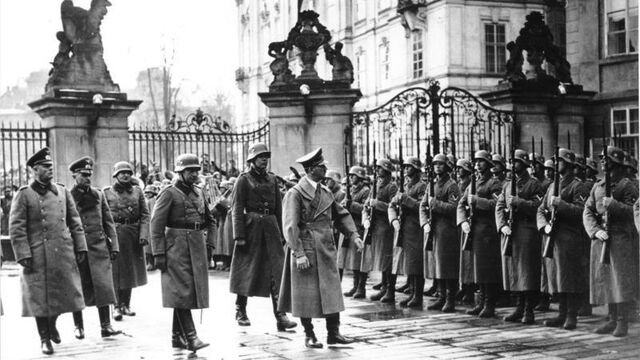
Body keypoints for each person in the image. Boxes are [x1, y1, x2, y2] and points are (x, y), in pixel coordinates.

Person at [278, 147, 363, 348]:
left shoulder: (325, 192)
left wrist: (353, 234)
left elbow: (340, 214)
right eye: (320, 166)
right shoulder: (295, 193)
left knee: (332, 291)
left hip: (325, 248)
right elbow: (290, 226)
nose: (325, 169)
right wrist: (298, 253)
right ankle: (309, 335)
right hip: (305, 248)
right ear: (310, 169)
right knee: (304, 294)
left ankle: (334, 333)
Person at [9, 147, 87, 355]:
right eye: (45, 167)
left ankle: (52, 324)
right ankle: (44, 337)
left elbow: (75, 221)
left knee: (63, 295)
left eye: (51, 166)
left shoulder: (62, 192)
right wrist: (23, 254)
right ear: (35, 170)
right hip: (37, 255)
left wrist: (80, 246)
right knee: (39, 298)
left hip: (62, 252)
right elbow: (16, 228)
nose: (50, 169)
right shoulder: (24, 194)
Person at [150, 153, 214, 351]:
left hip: (195, 245)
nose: (195, 174)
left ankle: (176, 337)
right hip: (175, 247)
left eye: (196, 170)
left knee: (186, 291)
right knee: (181, 290)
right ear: (180, 172)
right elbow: (156, 224)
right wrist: (158, 253)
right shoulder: (169, 193)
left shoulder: (199, 192)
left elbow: (209, 221)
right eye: (190, 171)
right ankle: (192, 337)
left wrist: (210, 245)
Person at [229, 143, 297, 331]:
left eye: (266, 156)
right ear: (252, 160)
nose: (264, 160)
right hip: (251, 230)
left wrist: (282, 231)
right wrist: (239, 235)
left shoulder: (272, 179)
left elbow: (278, 208)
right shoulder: (243, 180)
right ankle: (240, 309)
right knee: (247, 271)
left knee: (276, 272)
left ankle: (281, 315)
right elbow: (236, 208)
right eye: (261, 157)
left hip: (271, 228)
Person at [583, 146, 639, 337]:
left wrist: (613, 205)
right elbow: (588, 210)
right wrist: (595, 231)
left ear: (615, 162)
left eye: (606, 159)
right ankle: (611, 318)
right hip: (601, 238)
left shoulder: (627, 185)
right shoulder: (597, 185)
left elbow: (635, 212)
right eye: (601, 158)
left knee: (620, 280)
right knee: (605, 279)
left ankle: (622, 321)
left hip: (620, 238)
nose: (602, 161)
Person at [67, 157, 122, 339]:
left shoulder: (98, 195)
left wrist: (113, 244)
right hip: (79, 249)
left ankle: (106, 325)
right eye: (83, 175)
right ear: (74, 175)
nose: (87, 178)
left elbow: (108, 221)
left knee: (104, 286)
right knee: (78, 287)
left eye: (89, 175)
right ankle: (78, 326)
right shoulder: (67, 196)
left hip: (99, 247)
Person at [536, 149, 590, 330]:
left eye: (558, 160)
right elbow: (540, 209)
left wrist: (562, 205)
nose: (555, 163)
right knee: (556, 276)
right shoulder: (552, 186)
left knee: (569, 278)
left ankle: (571, 315)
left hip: (570, 237)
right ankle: (561, 313)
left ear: (567, 163)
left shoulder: (577, 186)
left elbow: (582, 212)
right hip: (553, 236)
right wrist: (544, 226)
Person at [496, 149, 545, 325]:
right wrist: (502, 225)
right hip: (512, 230)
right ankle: (518, 306)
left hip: (527, 229)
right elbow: (500, 205)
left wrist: (520, 203)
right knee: (514, 269)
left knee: (527, 271)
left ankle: (528, 309)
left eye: (516, 161)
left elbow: (539, 206)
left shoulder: (534, 184)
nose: (513, 164)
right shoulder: (509, 185)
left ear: (524, 164)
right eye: (512, 161)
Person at [458, 151, 503, 318]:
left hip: (488, 230)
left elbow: (497, 204)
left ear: (489, 164)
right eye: (476, 161)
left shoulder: (494, 183)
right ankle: (481, 301)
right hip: (475, 229)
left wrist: (478, 201)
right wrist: (463, 221)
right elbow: (462, 204)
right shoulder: (473, 183)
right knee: (478, 268)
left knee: (488, 269)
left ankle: (489, 304)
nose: (477, 164)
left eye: (481, 161)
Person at [103, 161, 149, 320]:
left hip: (132, 235)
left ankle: (126, 305)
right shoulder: (106, 193)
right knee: (115, 271)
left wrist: (143, 234)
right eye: (122, 173)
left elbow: (145, 215)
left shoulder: (137, 192)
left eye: (128, 173)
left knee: (130, 270)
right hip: (115, 234)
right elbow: (103, 217)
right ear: (115, 175)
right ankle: (115, 306)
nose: (125, 175)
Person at [420, 154, 460, 312]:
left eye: (440, 164)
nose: (437, 167)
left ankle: (450, 299)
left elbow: (454, 208)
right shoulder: (432, 184)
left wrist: (434, 204)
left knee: (447, 265)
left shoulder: (452, 185)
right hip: (434, 228)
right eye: (435, 164)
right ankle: (441, 296)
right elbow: (423, 205)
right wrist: (424, 223)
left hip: (447, 229)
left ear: (447, 167)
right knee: (437, 264)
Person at [388, 156, 426, 308]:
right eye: (405, 167)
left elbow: (422, 207)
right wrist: (394, 218)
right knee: (410, 263)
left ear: (416, 169)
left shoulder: (421, 186)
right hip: (405, 228)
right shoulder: (405, 185)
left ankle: (418, 295)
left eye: (409, 167)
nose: (406, 169)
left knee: (416, 263)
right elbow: (393, 203)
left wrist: (406, 199)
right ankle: (412, 293)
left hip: (416, 228)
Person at [367, 159, 398, 302]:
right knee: (381, 260)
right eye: (377, 168)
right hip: (377, 226)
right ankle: (384, 288)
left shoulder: (391, 187)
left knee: (387, 260)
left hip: (387, 227)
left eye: (379, 168)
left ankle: (390, 290)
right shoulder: (376, 185)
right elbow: (368, 203)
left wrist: (377, 204)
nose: (377, 170)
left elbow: (394, 207)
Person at [339, 166, 370, 299]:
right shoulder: (350, 190)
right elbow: (341, 205)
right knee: (352, 258)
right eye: (350, 175)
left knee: (360, 259)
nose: (351, 178)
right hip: (349, 227)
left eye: (354, 176)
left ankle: (361, 287)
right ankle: (355, 285)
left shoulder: (365, 191)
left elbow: (366, 208)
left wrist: (352, 204)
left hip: (359, 226)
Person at [455, 158, 475, 304]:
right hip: (462, 223)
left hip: (472, 223)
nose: (458, 170)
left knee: (469, 260)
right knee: (463, 260)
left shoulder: (469, 184)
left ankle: (469, 289)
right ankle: (464, 287)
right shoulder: (460, 184)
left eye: (461, 168)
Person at [143, 184, 159, 271]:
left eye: (149, 192)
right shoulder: (149, 200)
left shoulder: (152, 201)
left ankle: (151, 263)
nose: (147, 194)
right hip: (148, 224)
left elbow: (152, 213)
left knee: (149, 246)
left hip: (150, 224)